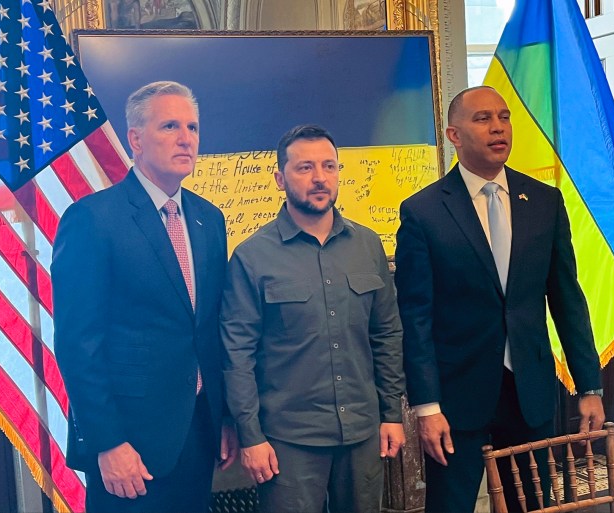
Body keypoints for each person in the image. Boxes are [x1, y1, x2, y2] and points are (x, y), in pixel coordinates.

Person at [394, 86, 606, 513]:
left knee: (531, 503)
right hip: (456, 398)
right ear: (454, 135)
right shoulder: (423, 212)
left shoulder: (544, 201)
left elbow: (567, 299)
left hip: (529, 391)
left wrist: (590, 386)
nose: (498, 128)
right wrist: (426, 406)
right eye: (483, 118)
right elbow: (415, 318)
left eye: (504, 117)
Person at [52, 81, 238, 513]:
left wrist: (225, 416)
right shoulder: (92, 219)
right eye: (170, 126)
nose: (185, 138)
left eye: (192, 127)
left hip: (199, 432)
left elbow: (210, 328)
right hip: (128, 445)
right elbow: (79, 345)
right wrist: (107, 442)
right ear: (135, 140)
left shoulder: (209, 219)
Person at [221, 124, 406, 513]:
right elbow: (237, 355)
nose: (320, 178)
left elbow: (386, 335)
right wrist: (251, 436)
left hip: (362, 433)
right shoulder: (252, 257)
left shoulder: (367, 245)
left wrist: (392, 414)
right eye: (305, 168)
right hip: (288, 442)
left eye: (329, 166)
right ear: (280, 179)